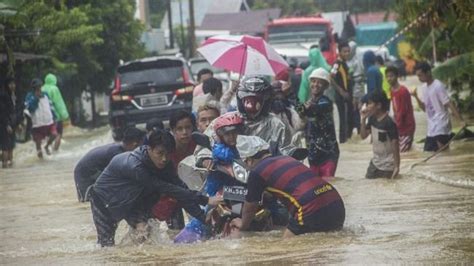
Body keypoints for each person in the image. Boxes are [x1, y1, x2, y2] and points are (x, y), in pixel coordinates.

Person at [89, 129, 222, 247]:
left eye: (168, 154)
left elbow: (180, 189)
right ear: (149, 149)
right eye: (160, 153)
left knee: (144, 234)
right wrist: (206, 200)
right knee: (107, 246)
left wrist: (202, 217)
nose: (164, 159)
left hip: (133, 202)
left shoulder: (166, 163)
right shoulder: (135, 166)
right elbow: (166, 188)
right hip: (103, 200)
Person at [230, 139, 345, 238]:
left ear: (248, 160)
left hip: (309, 207)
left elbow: (250, 207)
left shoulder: (256, 172)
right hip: (335, 202)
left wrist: (243, 224)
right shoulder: (287, 158)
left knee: (286, 250)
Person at [195, 75, 295, 168]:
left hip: (266, 175)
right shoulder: (225, 120)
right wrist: (205, 159)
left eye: (257, 101)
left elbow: (286, 150)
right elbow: (205, 147)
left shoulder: (276, 124)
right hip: (229, 174)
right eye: (248, 101)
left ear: (266, 100)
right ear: (240, 99)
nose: (252, 106)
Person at [74, 127, 145, 202]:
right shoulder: (116, 153)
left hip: (94, 171)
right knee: (87, 201)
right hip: (84, 173)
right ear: (135, 144)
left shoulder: (120, 149)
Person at [411, 62, 465, 152]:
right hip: (431, 129)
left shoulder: (438, 85)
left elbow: (449, 104)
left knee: (443, 153)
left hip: (441, 126)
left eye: (420, 75)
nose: (419, 78)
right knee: (428, 152)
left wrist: (461, 120)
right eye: (418, 76)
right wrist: (416, 97)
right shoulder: (424, 88)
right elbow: (425, 109)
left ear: (428, 72)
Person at [297, 68, 339, 178]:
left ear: (326, 86)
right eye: (313, 81)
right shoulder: (308, 103)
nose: (316, 84)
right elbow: (300, 111)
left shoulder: (326, 103)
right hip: (312, 154)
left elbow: (313, 109)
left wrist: (302, 107)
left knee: (327, 184)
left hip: (328, 153)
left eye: (320, 82)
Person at [360, 91, 400, 179]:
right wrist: (363, 119)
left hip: (388, 166)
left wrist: (397, 166)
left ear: (378, 105)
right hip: (375, 163)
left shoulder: (389, 122)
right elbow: (363, 136)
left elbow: (395, 144)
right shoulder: (372, 119)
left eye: (369, 104)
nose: (367, 107)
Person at [24, 78, 57, 158]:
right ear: (33, 88)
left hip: (49, 121)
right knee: (38, 145)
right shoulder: (29, 96)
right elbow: (30, 108)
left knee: (54, 134)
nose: (38, 89)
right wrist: (36, 98)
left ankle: (47, 146)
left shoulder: (45, 95)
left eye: (39, 87)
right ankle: (40, 159)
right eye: (36, 87)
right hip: (37, 124)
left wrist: (54, 116)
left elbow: (50, 106)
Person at [386, 66, 416, 152]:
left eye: (391, 76)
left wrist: (394, 127)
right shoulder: (392, 90)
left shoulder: (402, 91)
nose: (389, 79)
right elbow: (395, 109)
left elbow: (402, 112)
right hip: (399, 127)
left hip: (407, 127)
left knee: (404, 153)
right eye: (387, 76)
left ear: (397, 76)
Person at [330, 41, 353, 143]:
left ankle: (347, 140)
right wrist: (341, 91)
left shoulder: (345, 63)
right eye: (345, 51)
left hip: (347, 95)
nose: (347, 53)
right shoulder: (337, 64)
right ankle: (342, 140)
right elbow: (331, 77)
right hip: (341, 96)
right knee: (343, 119)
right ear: (339, 52)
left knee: (348, 118)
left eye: (348, 51)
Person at [41, 73, 69, 151]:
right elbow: (58, 103)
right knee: (58, 133)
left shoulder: (42, 88)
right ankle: (55, 151)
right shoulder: (54, 89)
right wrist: (65, 115)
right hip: (55, 116)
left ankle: (45, 149)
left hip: (44, 117)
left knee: (47, 134)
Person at [0, 78, 23, 168]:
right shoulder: (3, 96)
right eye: (10, 84)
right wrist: (7, 125)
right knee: (5, 146)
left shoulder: (15, 96)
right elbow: (2, 112)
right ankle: (4, 164)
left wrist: (18, 123)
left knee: (11, 146)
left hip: (13, 124)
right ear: (7, 85)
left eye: (14, 84)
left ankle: (10, 168)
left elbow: (17, 111)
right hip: (4, 125)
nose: (13, 86)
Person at [347, 41, 365, 135]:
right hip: (349, 90)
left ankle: (358, 129)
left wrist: (355, 96)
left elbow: (359, 79)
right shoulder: (347, 60)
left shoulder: (357, 61)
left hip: (357, 89)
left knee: (357, 109)